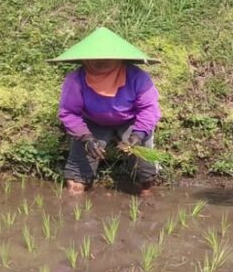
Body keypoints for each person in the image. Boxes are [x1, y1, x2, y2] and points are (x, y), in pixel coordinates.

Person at [52, 27, 162, 197]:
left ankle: (146, 190)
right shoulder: (76, 79)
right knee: (77, 175)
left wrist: (139, 134)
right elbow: (68, 112)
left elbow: (149, 108)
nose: (100, 61)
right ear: (85, 59)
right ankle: (76, 199)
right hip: (92, 122)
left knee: (143, 162)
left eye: (106, 57)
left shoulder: (137, 77)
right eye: (94, 57)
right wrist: (86, 137)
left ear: (119, 58)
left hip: (129, 121)